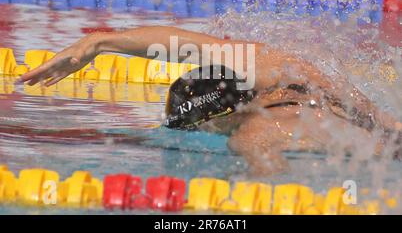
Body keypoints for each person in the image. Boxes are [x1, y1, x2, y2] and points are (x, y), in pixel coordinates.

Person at [17, 26, 401, 175]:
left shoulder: (251, 136)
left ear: (212, 120)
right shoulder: (283, 73)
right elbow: (193, 46)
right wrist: (98, 43)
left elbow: (274, 188)